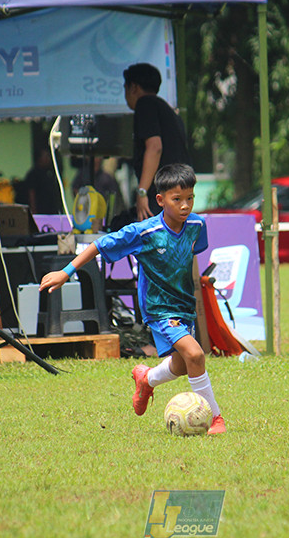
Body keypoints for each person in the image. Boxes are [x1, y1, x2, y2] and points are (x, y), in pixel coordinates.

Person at [40, 163, 225, 434]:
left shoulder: (197, 225)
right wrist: (66, 272)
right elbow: (99, 244)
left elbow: (189, 256)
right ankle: (215, 418)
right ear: (160, 200)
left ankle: (146, 378)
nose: (185, 206)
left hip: (184, 307)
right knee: (196, 354)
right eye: (177, 199)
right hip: (159, 309)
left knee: (183, 365)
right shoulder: (144, 232)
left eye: (190, 198)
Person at [123, 63, 191, 221]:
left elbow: (154, 147)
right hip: (180, 195)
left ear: (133, 87)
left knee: (154, 242)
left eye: (125, 88)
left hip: (161, 196)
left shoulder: (145, 105)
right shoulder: (169, 111)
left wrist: (142, 192)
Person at [25, 147, 64, 215]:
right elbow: (31, 192)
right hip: (41, 209)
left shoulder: (50, 172)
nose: (48, 159)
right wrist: (33, 209)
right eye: (45, 156)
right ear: (39, 158)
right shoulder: (34, 173)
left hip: (52, 209)